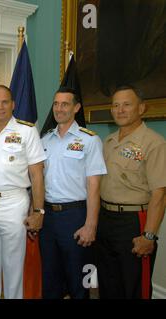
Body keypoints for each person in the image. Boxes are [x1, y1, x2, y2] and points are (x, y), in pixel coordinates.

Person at [0, 85, 46, 299]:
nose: (0, 107)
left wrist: (38, 211)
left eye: (4, 101)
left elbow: (37, 175)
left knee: (13, 264)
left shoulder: (27, 131)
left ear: (13, 104)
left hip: (14, 202)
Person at [95, 85, 166, 299]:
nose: (120, 110)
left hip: (133, 222)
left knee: (133, 286)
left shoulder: (154, 143)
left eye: (127, 104)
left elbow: (160, 194)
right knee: (108, 282)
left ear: (141, 108)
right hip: (106, 219)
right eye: (115, 105)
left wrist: (149, 235)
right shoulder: (108, 142)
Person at [40, 87, 107, 299]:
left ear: (76, 108)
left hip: (75, 215)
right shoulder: (44, 140)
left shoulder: (90, 140)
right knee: (50, 278)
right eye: (56, 104)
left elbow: (94, 185)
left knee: (79, 278)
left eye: (65, 104)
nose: (59, 109)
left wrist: (90, 225)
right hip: (48, 217)